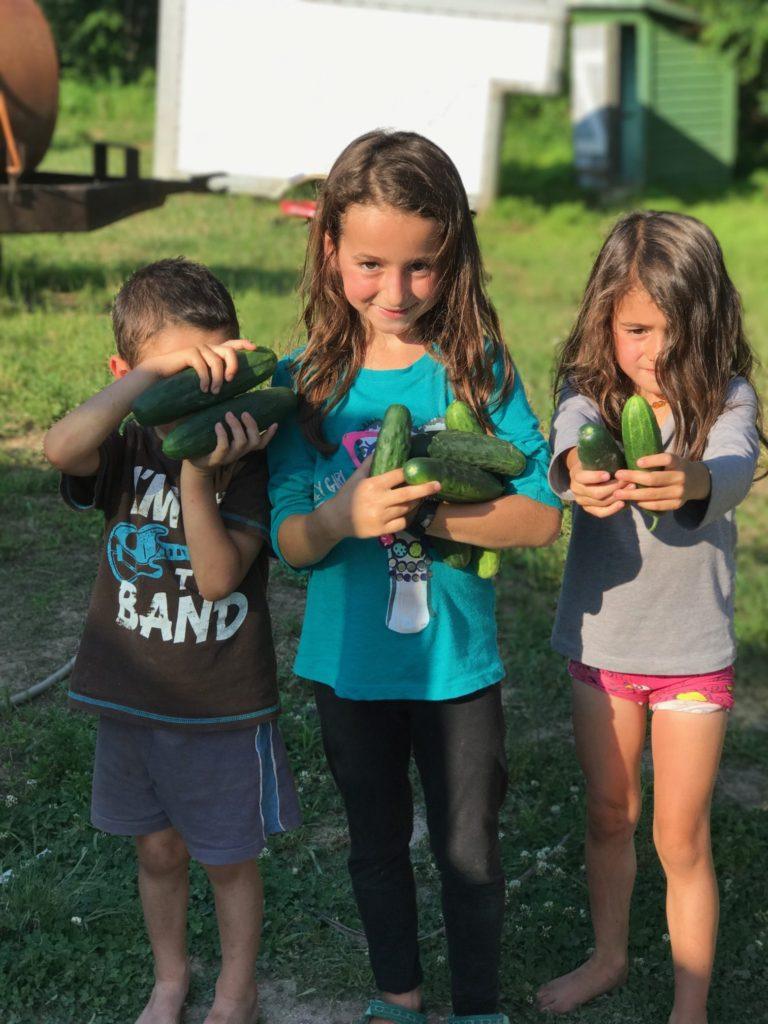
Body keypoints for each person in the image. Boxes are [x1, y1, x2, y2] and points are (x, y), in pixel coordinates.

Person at [267, 130, 562, 1024]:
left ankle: (476, 1004)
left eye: (422, 268)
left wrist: (432, 512)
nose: (395, 292)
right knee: (375, 845)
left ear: (454, 259)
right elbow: (287, 539)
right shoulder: (304, 386)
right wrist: (339, 516)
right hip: (349, 669)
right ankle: (397, 993)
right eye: (370, 264)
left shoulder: (479, 373)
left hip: (457, 672)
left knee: (469, 847)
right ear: (328, 249)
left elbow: (543, 514)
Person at [43, 258, 300, 1024]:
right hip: (131, 694)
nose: (205, 390)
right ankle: (169, 978)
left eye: (215, 371)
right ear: (127, 373)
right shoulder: (123, 448)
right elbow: (60, 450)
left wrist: (200, 473)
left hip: (221, 705)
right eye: (186, 376)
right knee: (156, 852)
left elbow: (219, 577)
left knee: (226, 860)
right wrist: (152, 374)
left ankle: (235, 991)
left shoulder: (246, 461)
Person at [538, 211, 765, 1024]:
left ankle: (690, 1004)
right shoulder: (588, 393)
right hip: (605, 648)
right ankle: (608, 956)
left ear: (708, 326)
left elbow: (737, 467)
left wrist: (693, 481)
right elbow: (565, 444)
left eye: (675, 331)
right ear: (606, 318)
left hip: (692, 658)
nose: (655, 352)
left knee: (680, 834)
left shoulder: (727, 400)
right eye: (636, 329)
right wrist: (576, 470)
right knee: (609, 814)